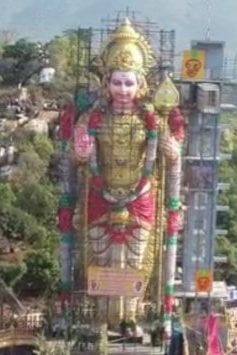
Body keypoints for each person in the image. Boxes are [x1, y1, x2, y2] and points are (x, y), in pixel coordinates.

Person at [59, 18, 185, 326]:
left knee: (136, 260)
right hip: (98, 200)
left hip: (140, 199)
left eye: (129, 83)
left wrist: (173, 155)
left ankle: (133, 318)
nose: (123, 90)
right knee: (99, 258)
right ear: (106, 83)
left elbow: (172, 160)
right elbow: (70, 160)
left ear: (141, 83)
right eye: (117, 82)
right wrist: (78, 153)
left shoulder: (153, 118)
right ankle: (100, 319)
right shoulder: (92, 117)